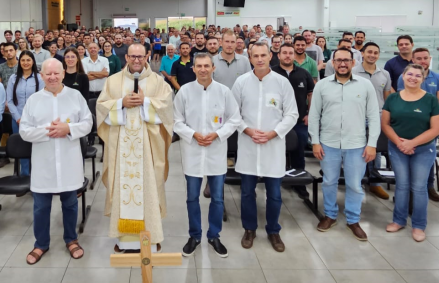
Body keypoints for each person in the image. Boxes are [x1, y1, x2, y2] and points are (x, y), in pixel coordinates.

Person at [96, 44, 174, 252]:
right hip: (121, 146)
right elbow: (101, 106)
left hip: (148, 148)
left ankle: (151, 236)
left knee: (150, 188)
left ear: (148, 55)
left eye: (141, 56)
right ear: (126, 57)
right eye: (132, 56)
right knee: (122, 187)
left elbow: (167, 108)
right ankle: (125, 241)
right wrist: (121, 102)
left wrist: (146, 101)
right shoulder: (113, 81)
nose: (137, 60)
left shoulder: (158, 82)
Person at [21, 59, 93, 265]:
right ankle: (40, 243)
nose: (52, 77)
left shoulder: (75, 95)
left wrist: (68, 129)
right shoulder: (34, 99)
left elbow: (88, 123)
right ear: (41, 75)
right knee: (40, 206)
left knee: (70, 204)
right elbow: (25, 130)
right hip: (44, 162)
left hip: (69, 160)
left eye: (56, 73)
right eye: (47, 74)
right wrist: (49, 130)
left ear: (63, 73)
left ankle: (71, 240)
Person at [230, 42, 298, 253]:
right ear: (249, 58)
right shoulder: (241, 82)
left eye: (263, 55)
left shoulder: (281, 83)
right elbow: (233, 114)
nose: (259, 59)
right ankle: (249, 229)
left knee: (275, 194)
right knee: (247, 193)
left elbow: (292, 114)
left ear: (271, 56)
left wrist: (273, 133)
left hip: (273, 145)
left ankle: (273, 230)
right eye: (255, 55)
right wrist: (248, 130)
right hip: (249, 145)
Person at [174, 53, 240, 258]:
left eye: (206, 66)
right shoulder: (184, 91)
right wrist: (193, 134)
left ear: (213, 68)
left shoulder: (224, 92)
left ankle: (214, 235)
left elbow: (234, 119)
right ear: (193, 69)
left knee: (218, 199)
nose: (203, 69)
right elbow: (176, 121)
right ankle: (194, 235)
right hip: (192, 150)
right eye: (199, 66)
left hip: (215, 150)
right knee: (192, 197)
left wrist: (217, 134)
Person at [309, 48, 379, 241]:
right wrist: (315, 142)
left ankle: (353, 219)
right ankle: (330, 215)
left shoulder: (365, 86)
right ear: (332, 62)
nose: (342, 64)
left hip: (356, 144)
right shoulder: (322, 86)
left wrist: (372, 144)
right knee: (329, 181)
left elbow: (374, 116)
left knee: (355, 185)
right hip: (328, 143)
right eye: (338, 60)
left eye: (346, 60)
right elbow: (314, 116)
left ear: (353, 62)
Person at [382, 64, 439, 243]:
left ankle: (418, 225)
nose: (413, 78)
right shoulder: (393, 98)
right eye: (409, 74)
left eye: (418, 75)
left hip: (423, 149)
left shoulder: (430, 100)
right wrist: (400, 143)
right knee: (401, 185)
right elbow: (385, 124)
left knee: (418, 187)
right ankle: (398, 220)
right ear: (403, 76)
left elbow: (436, 128)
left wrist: (412, 143)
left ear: (423, 79)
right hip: (397, 147)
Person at [397, 47, 439, 202]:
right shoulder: (404, 77)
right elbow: (403, 100)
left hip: (430, 126)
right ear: (413, 60)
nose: (422, 61)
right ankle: (409, 192)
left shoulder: (438, 78)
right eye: (418, 58)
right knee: (406, 155)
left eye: (425, 58)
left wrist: (427, 116)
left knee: (427, 159)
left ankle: (429, 186)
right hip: (409, 125)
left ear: (430, 59)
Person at [271, 44, 314, 199]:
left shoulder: (304, 73)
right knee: (275, 150)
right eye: (285, 53)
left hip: (299, 121)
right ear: (278, 55)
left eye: (291, 53)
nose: (288, 56)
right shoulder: (272, 73)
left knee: (298, 150)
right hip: (275, 121)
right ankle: (274, 179)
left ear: (295, 56)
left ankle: (299, 183)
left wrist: (310, 113)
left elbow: (311, 95)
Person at [352, 42, 392, 200]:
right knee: (358, 149)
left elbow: (387, 97)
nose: (372, 55)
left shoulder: (385, 74)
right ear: (362, 53)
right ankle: (358, 181)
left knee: (375, 149)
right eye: (369, 52)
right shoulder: (353, 72)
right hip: (357, 116)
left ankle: (375, 183)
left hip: (377, 116)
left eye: (376, 53)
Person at [7, 50, 44, 177]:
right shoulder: (13, 78)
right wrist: (18, 118)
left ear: (33, 61)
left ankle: (37, 177)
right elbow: (10, 101)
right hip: (17, 120)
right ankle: (24, 176)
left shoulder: (40, 78)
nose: (25, 63)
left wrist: (31, 118)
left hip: (35, 120)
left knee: (35, 148)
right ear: (19, 62)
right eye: (23, 60)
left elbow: (42, 100)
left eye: (28, 60)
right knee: (22, 148)